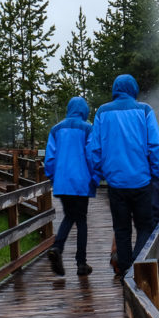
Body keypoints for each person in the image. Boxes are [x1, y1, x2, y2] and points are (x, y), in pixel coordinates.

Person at [87, 74, 159, 280]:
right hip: (142, 182)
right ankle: (137, 271)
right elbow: (156, 146)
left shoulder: (103, 112)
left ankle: (125, 271)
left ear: (115, 90)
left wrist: (100, 172)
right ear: (134, 89)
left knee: (121, 230)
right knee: (144, 227)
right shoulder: (144, 110)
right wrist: (155, 172)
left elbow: (94, 148)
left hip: (116, 184)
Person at [44, 96, 96, 277]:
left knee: (69, 216)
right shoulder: (88, 128)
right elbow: (91, 156)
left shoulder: (56, 129)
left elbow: (50, 158)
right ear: (84, 111)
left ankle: (58, 247)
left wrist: (53, 177)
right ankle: (81, 263)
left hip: (63, 183)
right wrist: (95, 177)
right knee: (81, 220)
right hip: (81, 182)